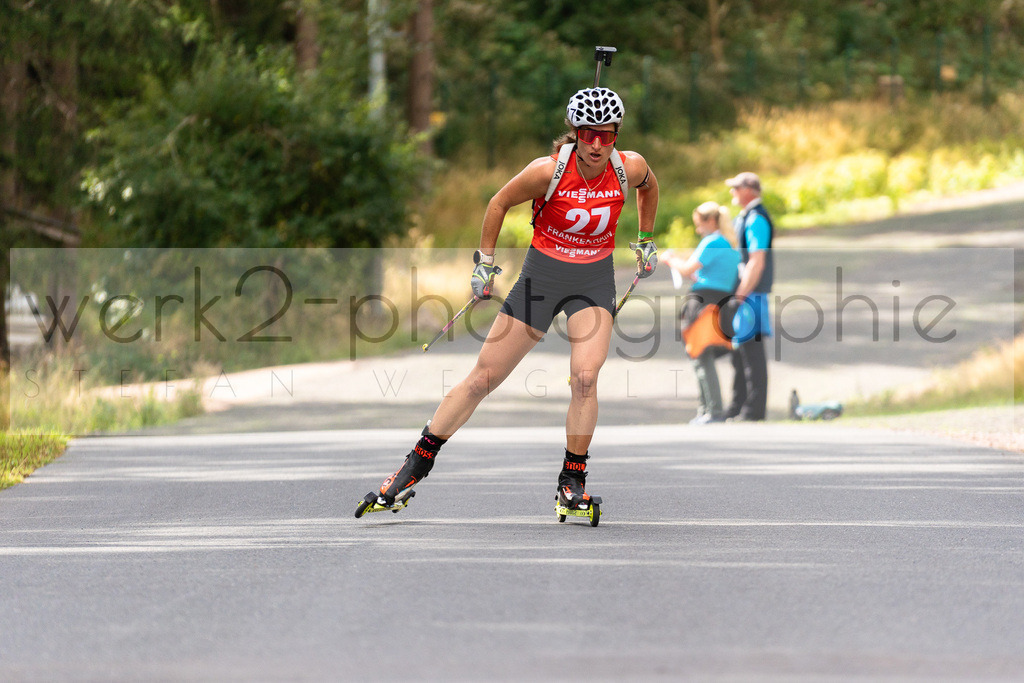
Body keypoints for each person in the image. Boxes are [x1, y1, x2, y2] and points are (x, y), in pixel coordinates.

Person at [364, 86, 660, 514]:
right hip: (543, 276)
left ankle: (572, 482)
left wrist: (646, 238)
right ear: (575, 132)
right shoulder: (547, 171)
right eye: (588, 134)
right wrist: (484, 264)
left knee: (585, 378)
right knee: (483, 378)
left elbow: (649, 187)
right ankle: (412, 467)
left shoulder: (629, 166)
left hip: (593, 280)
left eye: (607, 135)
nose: (597, 145)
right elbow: (499, 202)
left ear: (617, 134)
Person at [662, 201, 740, 424]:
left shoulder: (712, 242)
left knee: (701, 354)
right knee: (701, 355)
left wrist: (670, 259)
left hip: (704, 303)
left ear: (711, 221)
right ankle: (706, 409)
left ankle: (713, 410)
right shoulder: (728, 244)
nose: (698, 230)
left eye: (699, 224)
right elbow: (705, 275)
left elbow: (687, 269)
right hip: (719, 302)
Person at [724, 171, 774, 421]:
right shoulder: (747, 217)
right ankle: (738, 406)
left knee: (751, 352)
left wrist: (741, 294)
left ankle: (754, 410)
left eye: (736, 187)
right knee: (739, 352)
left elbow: (757, 260)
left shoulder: (756, 219)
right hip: (747, 294)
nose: (732, 192)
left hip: (751, 295)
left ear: (748, 190)